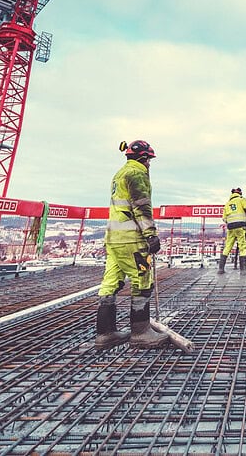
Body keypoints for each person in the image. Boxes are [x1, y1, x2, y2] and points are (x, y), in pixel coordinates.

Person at [95, 139, 168, 350]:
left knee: (110, 283)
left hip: (114, 240)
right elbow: (141, 207)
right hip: (131, 240)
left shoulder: (119, 174)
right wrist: (151, 235)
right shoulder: (137, 174)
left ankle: (105, 334)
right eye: (149, 161)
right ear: (143, 158)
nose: (150, 165)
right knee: (142, 280)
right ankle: (141, 332)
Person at [219, 187, 246, 273]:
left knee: (228, 246)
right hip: (240, 226)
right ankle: (243, 270)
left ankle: (221, 269)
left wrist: (230, 221)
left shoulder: (227, 204)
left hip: (230, 227)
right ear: (240, 193)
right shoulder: (241, 199)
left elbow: (224, 218)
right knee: (242, 246)